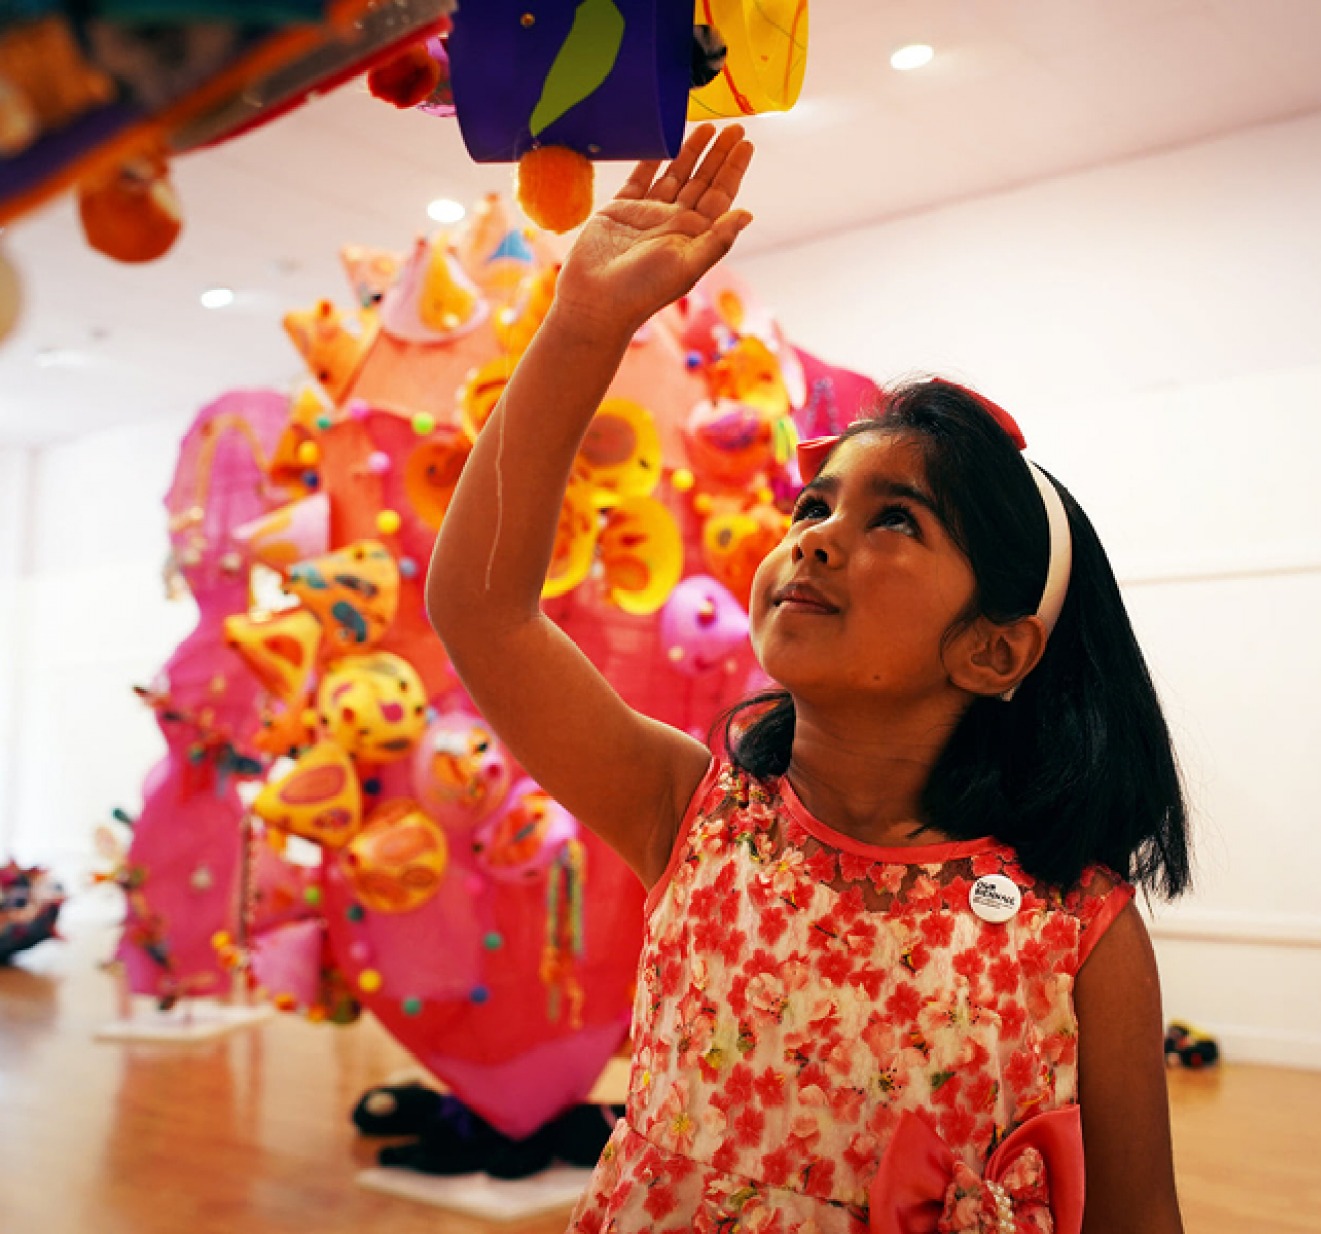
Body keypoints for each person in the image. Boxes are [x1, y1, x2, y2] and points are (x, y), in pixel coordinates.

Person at [428, 124, 1191, 1234]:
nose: (817, 537)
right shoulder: (689, 815)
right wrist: (583, 324)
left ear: (994, 649)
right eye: (814, 506)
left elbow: (1141, 1216)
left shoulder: (1079, 925)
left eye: (896, 520)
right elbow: (482, 610)